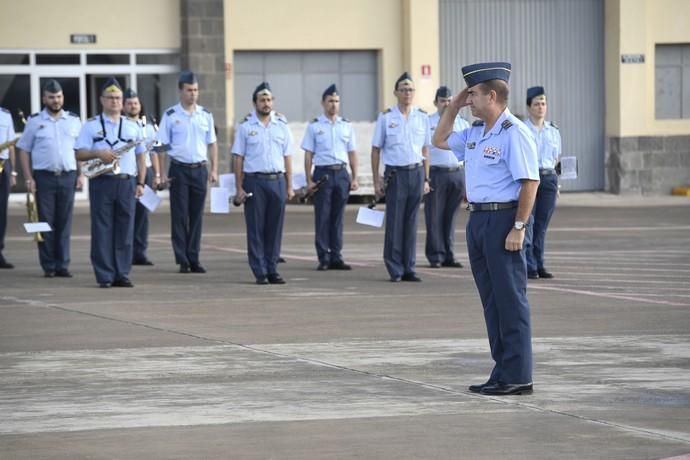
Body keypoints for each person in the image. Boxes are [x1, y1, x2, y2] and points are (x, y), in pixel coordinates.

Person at [432, 62, 539, 396]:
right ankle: (502, 371)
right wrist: (453, 106)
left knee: (511, 300)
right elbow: (439, 139)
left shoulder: (514, 132)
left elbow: (530, 183)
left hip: (504, 220)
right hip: (478, 220)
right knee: (492, 301)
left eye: (474, 94)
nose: (470, 100)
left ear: (492, 96)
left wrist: (519, 227)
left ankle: (519, 374)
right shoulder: (476, 133)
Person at [75, 77, 147, 288]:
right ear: (102, 100)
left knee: (125, 229)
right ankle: (105, 274)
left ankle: (121, 273)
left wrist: (141, 182)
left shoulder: (133, 126)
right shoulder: (91, 126)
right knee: (102, 229)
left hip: (126, 182)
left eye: (118, 98)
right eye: (110, 98)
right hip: (102, 182)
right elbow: (79, 153)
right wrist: (97, 152)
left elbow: (141, 156)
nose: (115, 101)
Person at [17, 79, 84, 277]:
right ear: (44, 98)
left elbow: (79, 150)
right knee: (43, 222)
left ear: (62, 97)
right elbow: (23, 150)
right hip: (44, 178)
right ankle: (48, 266)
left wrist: (81, 174)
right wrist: (28, 177)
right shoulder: (35, 121)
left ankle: (62, 265)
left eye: (59, 96)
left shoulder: (73, 120)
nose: (56, 100)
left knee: (64, 222)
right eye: (52, 97)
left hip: (67, 177)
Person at [231, 82, 294, 285]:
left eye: (269, 100)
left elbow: (288, 157)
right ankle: (260, 270)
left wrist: (290, 185)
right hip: (254, 181)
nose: (266, 104)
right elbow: (238, 158)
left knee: (274, 228)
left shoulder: (282, 126)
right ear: (255, 103)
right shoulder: (246, 126)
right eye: (262, 100)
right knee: (256, 228)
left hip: (277, 180)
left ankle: (272, 268)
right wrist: (239, 187)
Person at [371, 72, 430, 282]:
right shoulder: (386, 117)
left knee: (411, 222)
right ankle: (395, 267)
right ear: (396, 92)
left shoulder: (422, 116)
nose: (407, 93)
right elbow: (376, 149)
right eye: (403, 90)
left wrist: (426, 178)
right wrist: (376, 180)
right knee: (395, 222)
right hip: (395, 174)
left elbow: (425, 149)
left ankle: (409, 267)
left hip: (416, 172)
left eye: (411, 90)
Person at [156, 70, 218, 274]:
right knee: (180, 215)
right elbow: (162, 146)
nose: (193, 94)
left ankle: (194, 257)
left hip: (199, 169)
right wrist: (162, 174)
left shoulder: (205, 115)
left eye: (196, 90)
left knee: (196, 216)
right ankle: (182, 258)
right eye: (189, 90)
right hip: (179, 170)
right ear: (180, 91)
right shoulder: (171, 115)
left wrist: (214, 169)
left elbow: (212, 144)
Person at [301, 84, 358, 271]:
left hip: (341, 173)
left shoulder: (346, 126)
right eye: (330, 101)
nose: (333, 105)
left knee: (338, 217)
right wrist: (309, 180)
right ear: (323, 103)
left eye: (336, 101)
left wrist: (354, 176)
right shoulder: (315, 126)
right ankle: (323, 256)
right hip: (323, 173)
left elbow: (352, 153)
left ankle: (336, 255)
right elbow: (308, 154)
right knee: (323, 216)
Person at [425, 85, 470, 269]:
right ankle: (435, 255)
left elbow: (469, 154)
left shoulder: (462, 123)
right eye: (443, 100)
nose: (446, 104)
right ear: (436, 102)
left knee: (450, 218)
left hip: (456, 173)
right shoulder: (428, 121)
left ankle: (449, 254)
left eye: (449, 100)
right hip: (437, 172)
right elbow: (425, 149)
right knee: (434, 216)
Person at [523, 86, 561, 280]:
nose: (540, 107)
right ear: (529, 107)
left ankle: (539, 263)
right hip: (530, 178)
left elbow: (557, 159)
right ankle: (529, 265)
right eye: (537, 104)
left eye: (543, 104)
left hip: (548, 179)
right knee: (527, 222)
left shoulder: (553, 131)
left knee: (541, 225)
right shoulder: (522, 129)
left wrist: (558, 185)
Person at [123, 88, 161, 266]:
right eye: (129, 103)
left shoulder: (148, 126)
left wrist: (157, 175)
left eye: (135, 103)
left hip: (146, 172)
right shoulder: (121, 125)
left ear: (140, 105)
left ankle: (140, 253)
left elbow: (154, 152)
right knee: (128, 214)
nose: (133, 106)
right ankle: (126, 252)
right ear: (124, 106)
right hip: (129, 173)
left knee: (143, 215)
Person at [0, 106, 17, 269]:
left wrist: (12, 172)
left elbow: (11, 145)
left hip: (2, 165)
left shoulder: (5, 115)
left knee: (1, 211)